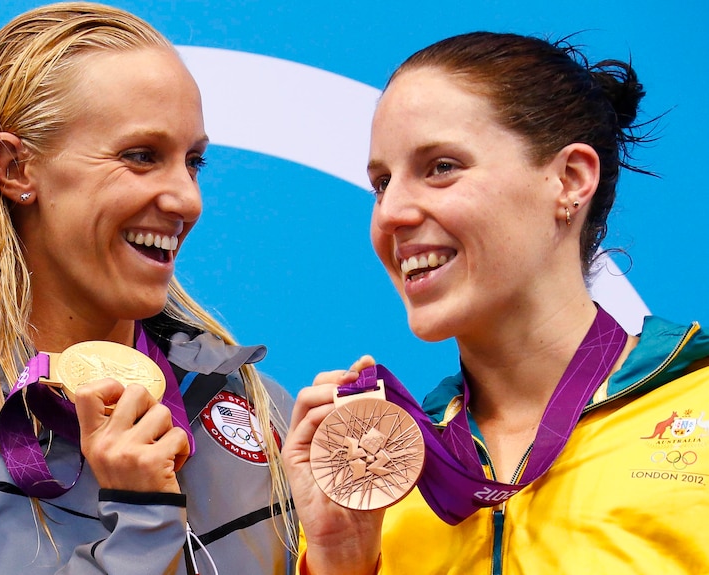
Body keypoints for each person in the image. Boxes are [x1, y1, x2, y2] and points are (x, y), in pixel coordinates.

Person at [0, 3, 295, 574]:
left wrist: (344, 557)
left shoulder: (253, 409)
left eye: (193, 162)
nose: (187, 199)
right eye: (140, 157)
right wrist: (138, 524)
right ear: (15, 168)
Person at [282, 31, 709, 574]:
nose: (390, 213)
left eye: (441, 167)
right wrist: (341, 559)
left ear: (568, 180)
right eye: (382, 183)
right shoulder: (382, 479)